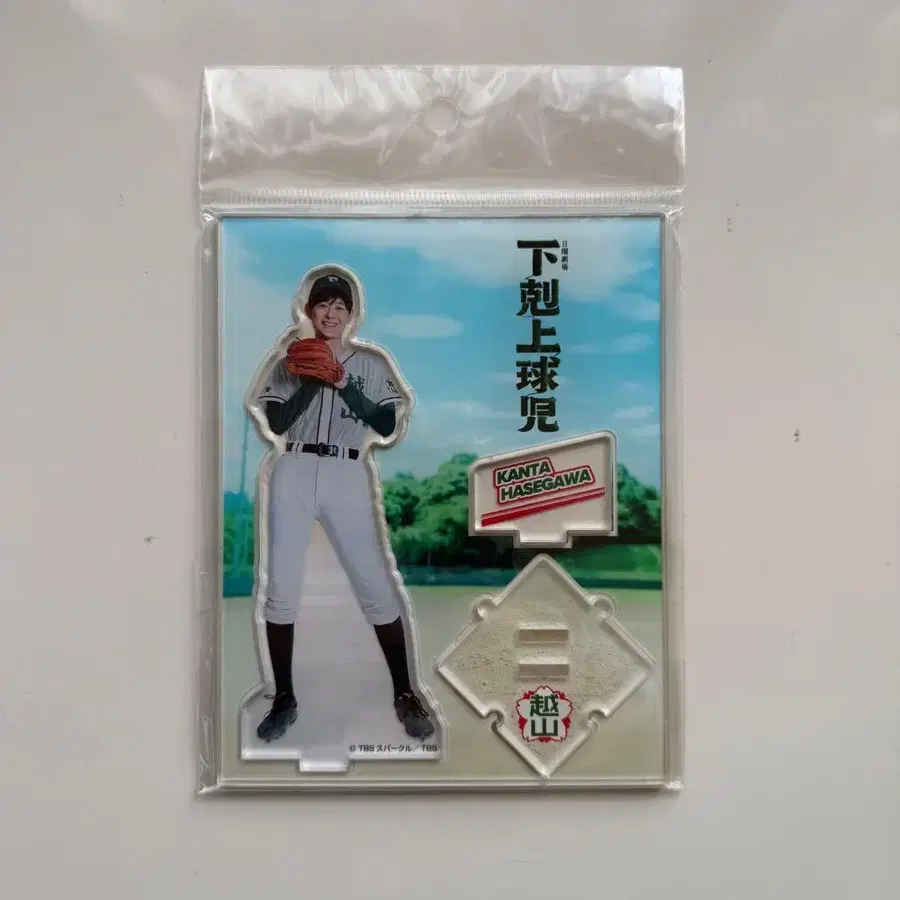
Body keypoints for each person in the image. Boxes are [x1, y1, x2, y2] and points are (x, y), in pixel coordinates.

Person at [248, 271, 435, 744]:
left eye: (340, 306)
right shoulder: (290, 360)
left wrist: (343, 381)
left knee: (375, 582)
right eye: (323, 304)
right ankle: (284, 698)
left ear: (352, 314)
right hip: (294, 467)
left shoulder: (371, 362)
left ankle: (405, 693)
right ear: (310, 309)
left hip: (347, 470)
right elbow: (277, 422)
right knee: (280, 588)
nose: (331, 313)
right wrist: (313, 379)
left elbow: (386, 424)